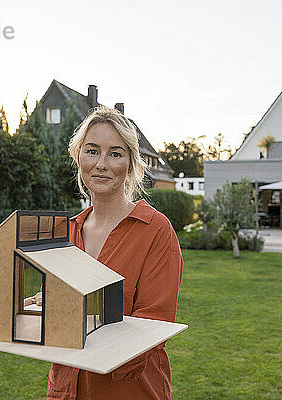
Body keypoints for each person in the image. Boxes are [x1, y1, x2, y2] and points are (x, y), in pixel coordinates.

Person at [42, 106, 183, 400]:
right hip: (65, 389)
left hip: (127, 390)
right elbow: (57, 314)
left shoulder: (155, 230)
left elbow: (152, 324)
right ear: (78, 157)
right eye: (92, 151)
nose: (102, 164)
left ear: (131, 164)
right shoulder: (66, 232)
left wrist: (74, 315)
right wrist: (40, 307)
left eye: (115, 153)